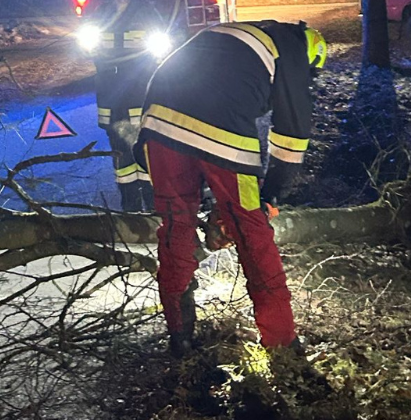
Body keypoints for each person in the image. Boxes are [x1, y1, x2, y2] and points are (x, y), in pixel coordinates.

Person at [136, 20, 328, 356]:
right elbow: (292, 136)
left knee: (176, 227)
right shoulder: (294, 49)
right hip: (220, 123)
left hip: (157, 122)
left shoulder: (235, 37)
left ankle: (180, 337)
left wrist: (207, 201)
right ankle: (282, 345)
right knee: (253, 233)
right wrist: (269, 196)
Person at [91, 0, 169, 212]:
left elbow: (163, 46)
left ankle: (153, 204)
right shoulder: (100, 15)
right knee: (120, 153)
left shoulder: (147, 13)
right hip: (112, 95)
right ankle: (130, 207)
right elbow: (89, 48)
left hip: (141, 92)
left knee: (147, 150)